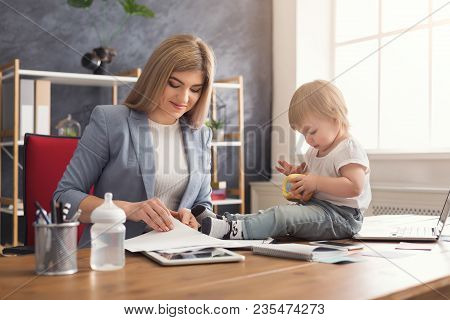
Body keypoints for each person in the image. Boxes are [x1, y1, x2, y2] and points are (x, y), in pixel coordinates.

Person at [53, 34, 218, 245]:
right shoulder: (110, 121)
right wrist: (129, 209)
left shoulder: (201, 134)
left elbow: (203, 204)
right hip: (115, 254)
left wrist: (195, 218)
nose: (184, 98)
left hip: (177, 256)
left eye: (195, 89)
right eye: (174, 84)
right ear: (156, 78)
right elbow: (63, 198)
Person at [201, 80, 371, 240]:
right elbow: (314, 188)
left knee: (283, 217)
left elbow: (355, 187)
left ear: (335, 118)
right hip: (320, 209)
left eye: (311, 131)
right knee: (274, 212)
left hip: (343, 217)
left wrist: (316, 182)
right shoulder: (314, 151)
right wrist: (300, 178)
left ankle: (231, 231)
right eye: (303, 134)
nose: (308, 140)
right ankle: (226, 221)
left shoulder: (348, 148)